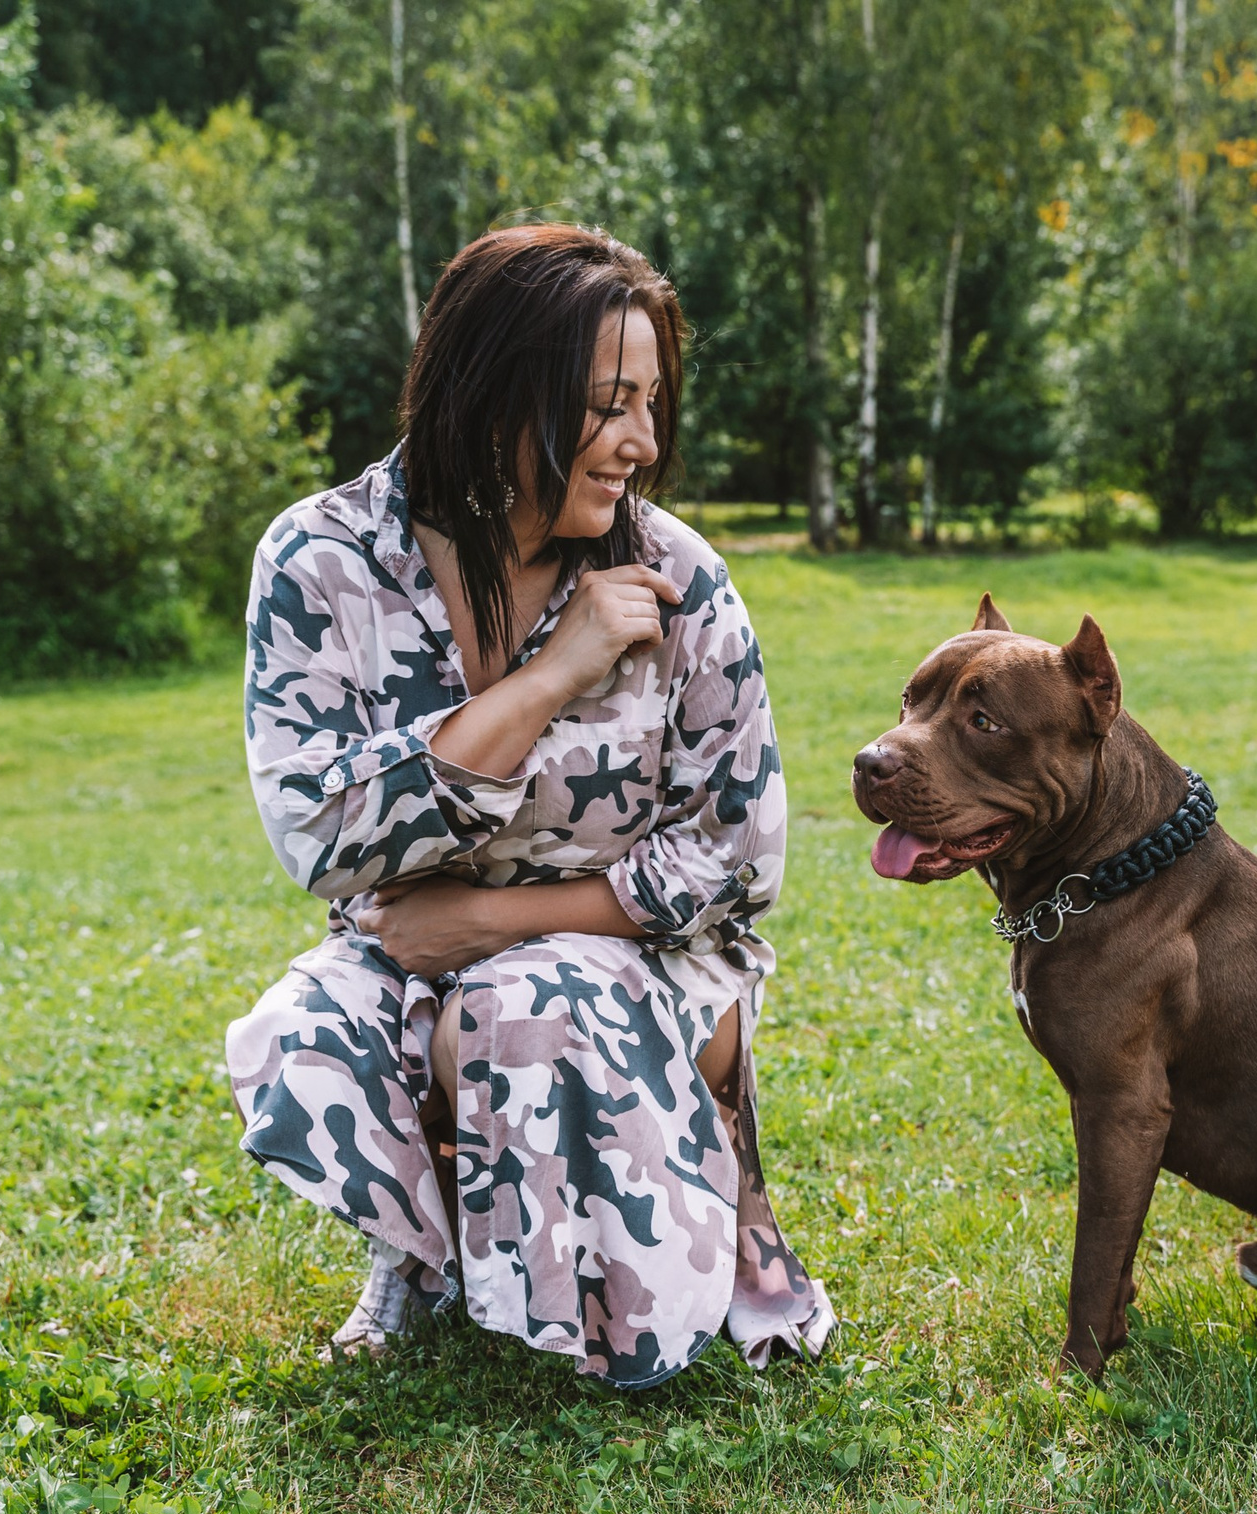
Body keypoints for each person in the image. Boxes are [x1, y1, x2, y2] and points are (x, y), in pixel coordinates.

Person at [225, 225, 834, 1387]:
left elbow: (734, 857)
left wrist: (495, 922)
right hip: (407, 954)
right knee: (304, 1038)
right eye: (609, 405)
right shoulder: (320, 561)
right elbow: (321, 830)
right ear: (498, 391)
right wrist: (552, 676)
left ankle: (703, 1237)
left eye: (650, 402)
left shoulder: (680, 577)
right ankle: (423, 1249)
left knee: (519, 999)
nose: (642, 443)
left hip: (636, 954)